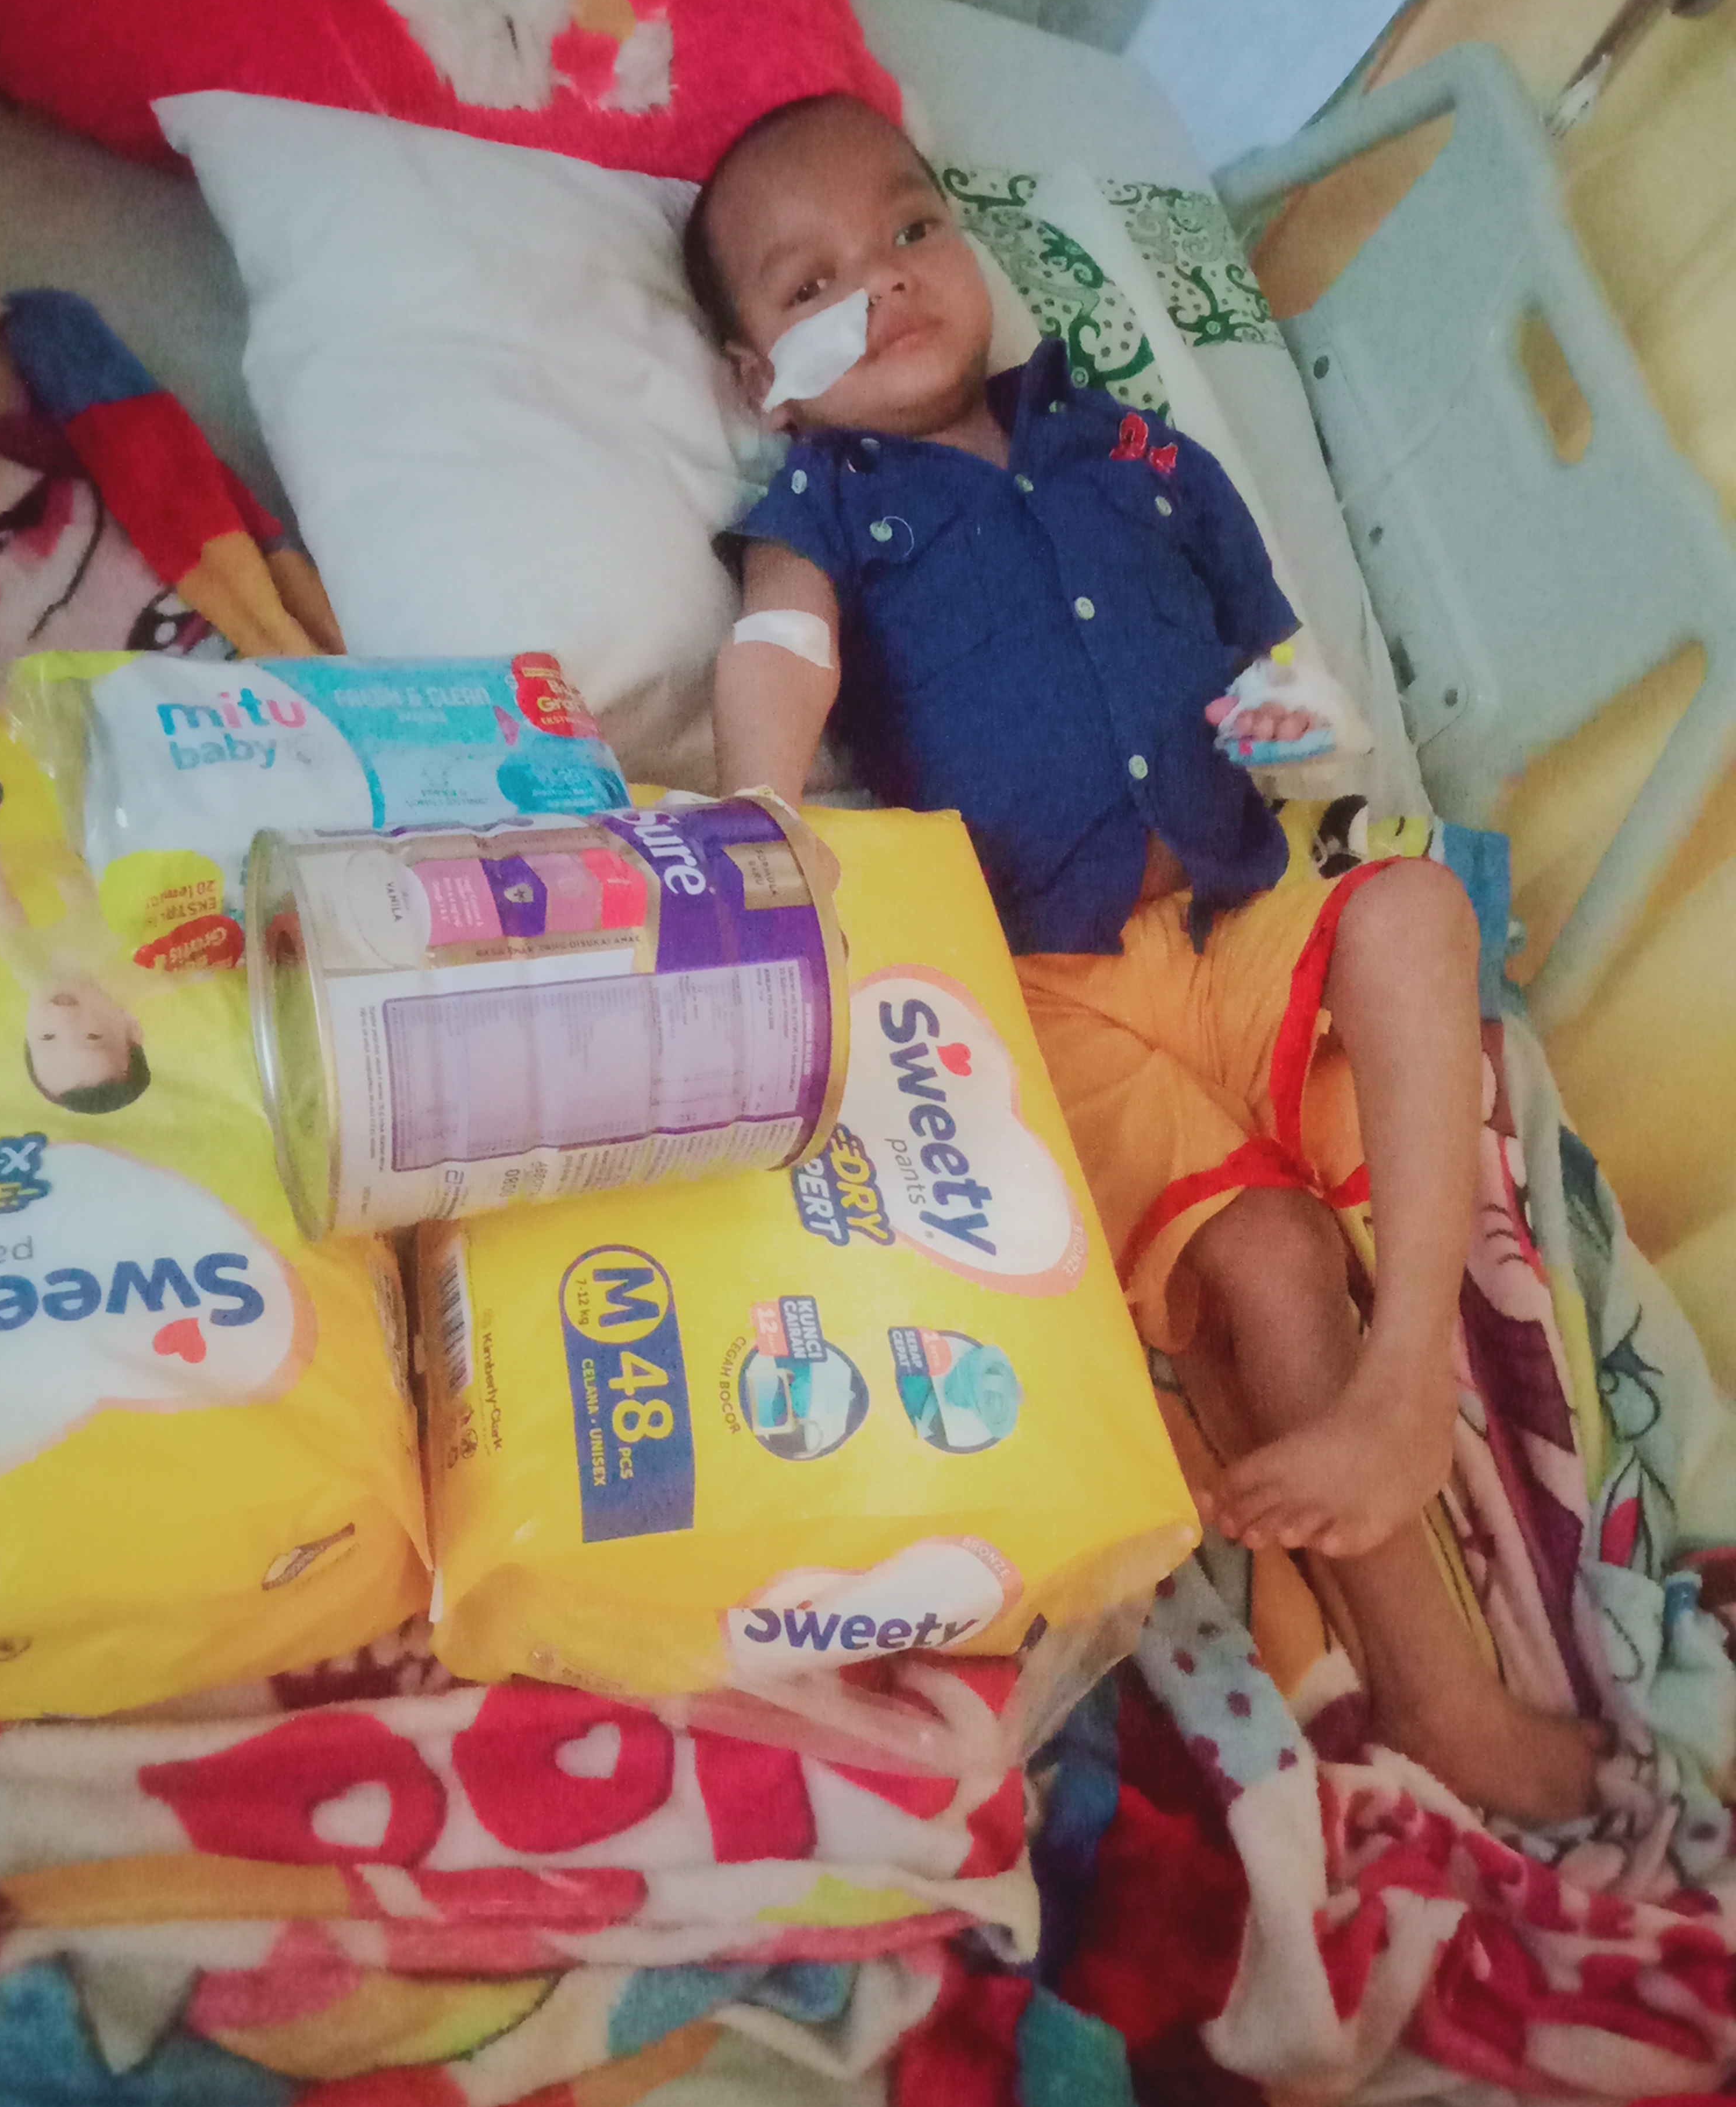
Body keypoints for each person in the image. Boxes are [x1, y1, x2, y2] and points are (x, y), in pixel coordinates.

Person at [684, 92, 1603, 1823]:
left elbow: (1271, 671)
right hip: (1047, 985)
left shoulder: (1136, 453)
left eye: (908, 231)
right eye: (812, 284)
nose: (883, 283)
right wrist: (759, 814)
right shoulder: (827, 501)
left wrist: (1290, 745)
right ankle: (1441, 1699)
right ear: (762, 377)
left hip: (1231, 907)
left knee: (1415, 908)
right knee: (1264, 1255)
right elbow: (777, 655)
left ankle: (1402, 1373)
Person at [0, 845, 151, 1113]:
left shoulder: (31, 970)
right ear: (131, 1028)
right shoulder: (124, 977)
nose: (64, 1017)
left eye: (47, 1036)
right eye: (93, 1036)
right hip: (95, 884)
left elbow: (0, 910)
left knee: (7, 913)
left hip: (57, 892)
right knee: (82, 886)